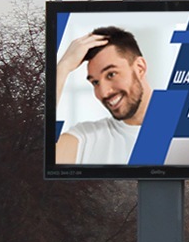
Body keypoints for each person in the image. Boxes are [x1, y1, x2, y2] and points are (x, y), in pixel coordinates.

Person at [54, 26, 151, 164]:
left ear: (140, 68)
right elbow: (33, 161)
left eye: (111, 74)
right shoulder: (85, 138)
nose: (103, 93)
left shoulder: (184, 128)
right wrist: (62, 68)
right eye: (95, 82)